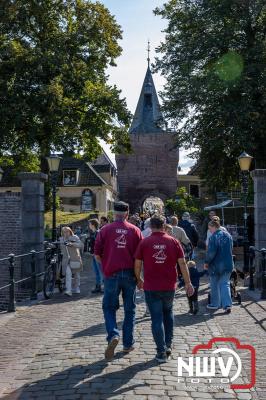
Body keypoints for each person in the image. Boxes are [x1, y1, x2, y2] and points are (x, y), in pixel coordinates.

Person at [134, 215, 194, 363]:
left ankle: (161, 351)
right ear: (164, 225)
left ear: (150, 227)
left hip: (151, 286)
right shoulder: (173, 241)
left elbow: (137, 264)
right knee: (168, 313)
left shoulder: (145, 242)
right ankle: (168, 344)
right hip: (169, 285)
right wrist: (188, 283)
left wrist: (138, 279)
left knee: (156, 318)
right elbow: (182, 263)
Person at [94, 201, 143, 360]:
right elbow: (139, 258)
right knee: (130, 309)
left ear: (113, 213)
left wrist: (106, 267)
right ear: (127, 214)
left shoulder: (104, 230)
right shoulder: (135, 230)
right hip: (130, 274)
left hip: (111, 274)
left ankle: (113, 335)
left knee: (109, 307)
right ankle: (128, 343)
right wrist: (139, 277)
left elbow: (96, 254)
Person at [204, 219, 233, 313]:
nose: (209, 230)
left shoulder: (214, 237)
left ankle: (215, 304)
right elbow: (231, 249)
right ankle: (227, 305)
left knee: (214, 284)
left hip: (216, 265)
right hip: (228, 263)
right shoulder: (228, 235)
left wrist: (206, 262)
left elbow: (211, 252)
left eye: (210, 228)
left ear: (214, 227)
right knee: (225, 284)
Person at [60, 226, 83, 296]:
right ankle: (68, 290)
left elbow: (81, 245)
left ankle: (77, 288)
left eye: (67, 231)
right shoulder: (61, 239)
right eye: (64, 232)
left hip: (75, 258)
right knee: (68, 274)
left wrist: (72, 244)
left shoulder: (75, 237)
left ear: (70, 231)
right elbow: (58, 246)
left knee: (76, 274)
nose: (66, 233)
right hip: (66, 260)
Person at [89, 219, 104, 294]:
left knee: (100, 271)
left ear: (93, 225)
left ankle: (103, 287)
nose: (89, 226)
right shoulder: (93, 233)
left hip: (97, 255)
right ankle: (98, 286)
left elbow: (99, 245)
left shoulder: (97, 233)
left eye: (90, 224)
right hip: (93, 255)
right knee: (96, 272)